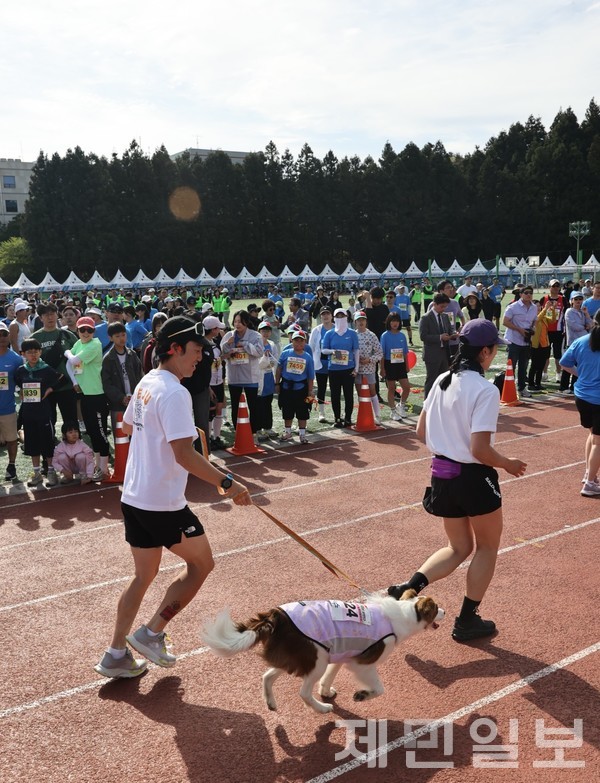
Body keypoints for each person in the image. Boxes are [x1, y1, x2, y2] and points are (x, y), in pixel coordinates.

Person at [94, 316, 252, 680]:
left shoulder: (148, 380)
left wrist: (176, 428)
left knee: (143, 576)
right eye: (196, 351)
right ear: (176, 349)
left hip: (134, 496)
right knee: (202, 565)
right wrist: (227, 483)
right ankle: (151, 632)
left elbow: (129, 426)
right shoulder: (176, 392)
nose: (201, 358)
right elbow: (184, 455)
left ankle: (115, 654)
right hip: (162, 503)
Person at [387, 319, 527, 641]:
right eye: (494, 350)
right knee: (487, 546)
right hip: (473, 477)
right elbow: (480, 450)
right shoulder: (485, 390)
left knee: (458, 546)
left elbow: (420, 431)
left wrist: (448, 444)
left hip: (442, 474)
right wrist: (507, 464)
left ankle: (409, 588)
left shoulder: (441, 380)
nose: (494, 355)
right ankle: (466, 620)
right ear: (485, 352)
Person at [64, 316, 111, 481]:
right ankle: (98, 467)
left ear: (94, 331)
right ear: (77, 330)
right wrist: (75, 382)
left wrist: (67, 352)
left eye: (89, 330)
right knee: (92, 432)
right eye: (82, 329)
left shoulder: (94, 344)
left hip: (97, 395)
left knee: (100, 433)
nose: (85, 332)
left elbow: (73, 359)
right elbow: (68, 365)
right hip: (85, 395)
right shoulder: (79, 343)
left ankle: (104, 469)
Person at [560, 310, 600, 496]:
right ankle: (590, 483)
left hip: (582, 397)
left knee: (593, 435)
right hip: (597, 399)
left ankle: (588, 473)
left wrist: (581, 375)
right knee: (598, 441)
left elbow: (564, 363)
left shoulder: (581, 341)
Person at [14, 338, 62, 488]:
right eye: (29, 352)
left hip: (44, 412)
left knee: (47, 442)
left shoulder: (46, 369)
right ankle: (36, 474)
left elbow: (61, 379)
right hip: (28, 412)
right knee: (32, 443)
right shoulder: (21, 370)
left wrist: (50, 389)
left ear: (40, 352)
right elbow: (18, 383)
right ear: (23, 354)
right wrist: (21, 391)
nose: (33, 355)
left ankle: (51, 472)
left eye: (36, 352)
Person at [220, 310, 263, 438]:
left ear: (246, 322)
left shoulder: (255, 335)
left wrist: (245, 344)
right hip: (234, 377)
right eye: (235, 321)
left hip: (250, 377)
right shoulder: (229, 335)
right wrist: (228, 344)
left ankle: (254, 434)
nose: (237, 324)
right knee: (235, 406)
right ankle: (238, 434)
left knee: (253, 406)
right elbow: (222, 353)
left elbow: (259, 352)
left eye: (240, 321)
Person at [101, 322, 144, 435]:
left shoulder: (132, 354)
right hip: (118, 404)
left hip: (134, 401)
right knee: (121, 436)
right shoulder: (108, 359)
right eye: (117, 336)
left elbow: (140, 376)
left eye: (123, 335)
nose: (121, 338)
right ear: (111, 338)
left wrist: (137, 395)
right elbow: (107, 384)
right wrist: (121, 397)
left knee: (137, 434)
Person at [321, 308, 359, 427]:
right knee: (335, 395)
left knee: (348, 394)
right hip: (334, 369)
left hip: (348, 369)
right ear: (334, 318)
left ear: (346, 318)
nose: (340, 319)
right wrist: (332, 351)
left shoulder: (352, 333)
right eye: (338, 316)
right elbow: (323, 349)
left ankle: (348, 418)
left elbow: (356, 351)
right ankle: (337, 418)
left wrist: (356, 368)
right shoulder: (329, 333)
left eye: (342, 316)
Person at [275, 330, 314, 444]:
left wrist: (310, 391)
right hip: (286, 388)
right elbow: (279, 369)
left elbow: (310, 376)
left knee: (303, 412)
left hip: (301, 389)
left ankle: (302, 435)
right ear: (292, 341)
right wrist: (277, 383)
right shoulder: (285, 353)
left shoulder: (308, 357)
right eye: (296, 341)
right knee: (287, 411)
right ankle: (288, 432)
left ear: (305, 342)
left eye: (301, 341)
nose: (299, 343)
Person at [502, 285, 537, 399]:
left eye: (530, 293)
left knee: (523, 366)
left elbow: (535, 320)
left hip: (526, 341)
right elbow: (505, 322)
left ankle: (521, 388)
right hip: (513, 340)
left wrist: (533, 329)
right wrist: (519, 330)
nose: (528, 295)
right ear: (521, 294)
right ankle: (508, 388)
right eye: (526, 293)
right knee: (511, 366)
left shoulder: (534, 307)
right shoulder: (513, 307)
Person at [0, 322, 24, 482]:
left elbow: (23, 381)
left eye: (4, 334)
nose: (2, 337)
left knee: (11, 440)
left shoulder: (16, 359)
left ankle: (12, 465)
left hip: (8, 408)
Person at [420, 293, 456, 398]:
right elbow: (423, 336)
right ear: (434, 304)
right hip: (432, 354)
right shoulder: (425, 317)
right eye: (442, 306)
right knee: (431, 379)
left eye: (445, 307)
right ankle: (427, 402)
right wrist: (440, 337)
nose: (443, 309)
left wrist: (453, 334)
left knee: (444, 379)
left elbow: (449, 330)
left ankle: (442, 401)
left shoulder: (445, 316)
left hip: (444, 353)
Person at [560, 291, 593, 394]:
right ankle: (563, 386)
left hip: (582, 343)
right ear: (572, 301)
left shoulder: (583, 312)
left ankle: (573, 386)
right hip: (573, 342)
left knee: (579, 366)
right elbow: (574, 326)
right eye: (576, 299)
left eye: (580, 299)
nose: (578, 301)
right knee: (569, 364)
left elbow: (591, 324)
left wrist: (586, 314)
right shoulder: (569, 311)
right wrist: (585, 327)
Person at [354, 311, 383, 424]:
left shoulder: (371, 335)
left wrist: (369, 360)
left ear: (366, 321)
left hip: (369, 369)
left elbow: (379, 353)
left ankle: (377, 415)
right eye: (358, 320)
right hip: (357, 370)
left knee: (372, 391)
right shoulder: (353, 335)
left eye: (363, 320)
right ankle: (363, 415)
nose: (361, 322)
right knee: (360, 392)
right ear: (355, 322)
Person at [380, 312, 411, 420]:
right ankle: (393, 411)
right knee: (392, 388)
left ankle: (401, 405)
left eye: (397, 321)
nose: (395, 323)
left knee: (406, 387)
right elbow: (382, 354)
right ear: (389, 322)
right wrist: (382, 368)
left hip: (401, 364)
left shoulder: (402, 335)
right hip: (389, 364)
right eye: (393, 321)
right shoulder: (384, 336)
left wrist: (407, 365)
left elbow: (405, 353)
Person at [309, 307, 334, 423]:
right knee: (321, 388)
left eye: (328, 313)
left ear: (331, 315)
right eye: (323, 314)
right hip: (320, 364)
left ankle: (336, 412)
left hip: (335, 363)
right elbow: (311, 347)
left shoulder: (337, 328)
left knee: (335, 389)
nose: (325, 316)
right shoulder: (316, 330)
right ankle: (321, 413)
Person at [256, 321, 279, 441]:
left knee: (268, 403)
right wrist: (265, 359)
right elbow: (257, 365)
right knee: (258, 404)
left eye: (268, 331)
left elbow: (274, 361)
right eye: (263, 331)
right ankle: (258, 429)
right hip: (258, 378)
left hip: (269, 377)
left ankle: (268, 427)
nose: (266, 333)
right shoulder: (256, 345)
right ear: (259, 332)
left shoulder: (272, 344)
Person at [52, 420, 94, 485]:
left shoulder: (83, 445)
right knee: (61, 457)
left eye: (76, 431)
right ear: (64, 435)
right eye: (70, 432)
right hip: (68, 468)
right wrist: (63, 470)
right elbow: (54, 462)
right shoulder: (60, 446)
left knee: (81, 456)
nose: (74, 434)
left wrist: (89, 475)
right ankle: (68, 477)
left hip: (80, 467)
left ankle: (83, 475)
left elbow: (90, 461)